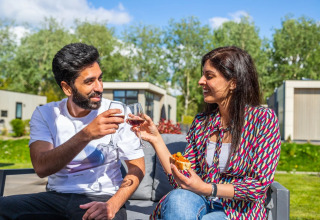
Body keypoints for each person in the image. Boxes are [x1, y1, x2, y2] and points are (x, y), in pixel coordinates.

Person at [132, 46, 281, 219]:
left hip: (237, 211)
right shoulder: (202, 122)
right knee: (178, 199)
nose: (201, 81)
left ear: (233, 82)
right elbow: (182, 178)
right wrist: (156, 138)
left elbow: (258, 186)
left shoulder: (263, 119)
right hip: (199, 200)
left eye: (209, 76)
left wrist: (206, 188)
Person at [0, 43, 145, 220]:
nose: (99, 87)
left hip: (101, 198)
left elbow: (137, 167)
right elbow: (41, 167)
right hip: (55, 197)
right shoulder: (46, 114)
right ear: (67, 88)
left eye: (100, 78)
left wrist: (112, 205)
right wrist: (87, 134)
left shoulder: (118, 112)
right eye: (89, 81)